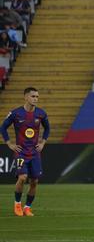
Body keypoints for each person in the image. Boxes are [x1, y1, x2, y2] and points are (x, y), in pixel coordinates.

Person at [2, 87, 50, 217]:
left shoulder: (41, 113)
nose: (36, 99)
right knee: (22, 178)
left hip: (35, 153)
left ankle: (27, 207)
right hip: (21, 152)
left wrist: (42, 143)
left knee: (34, 181)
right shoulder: (15, 113)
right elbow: (3, 128)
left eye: (37, 97)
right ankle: (17, 204)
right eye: (33, 96)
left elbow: (47, 129)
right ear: (26, 97)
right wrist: (10, 144)